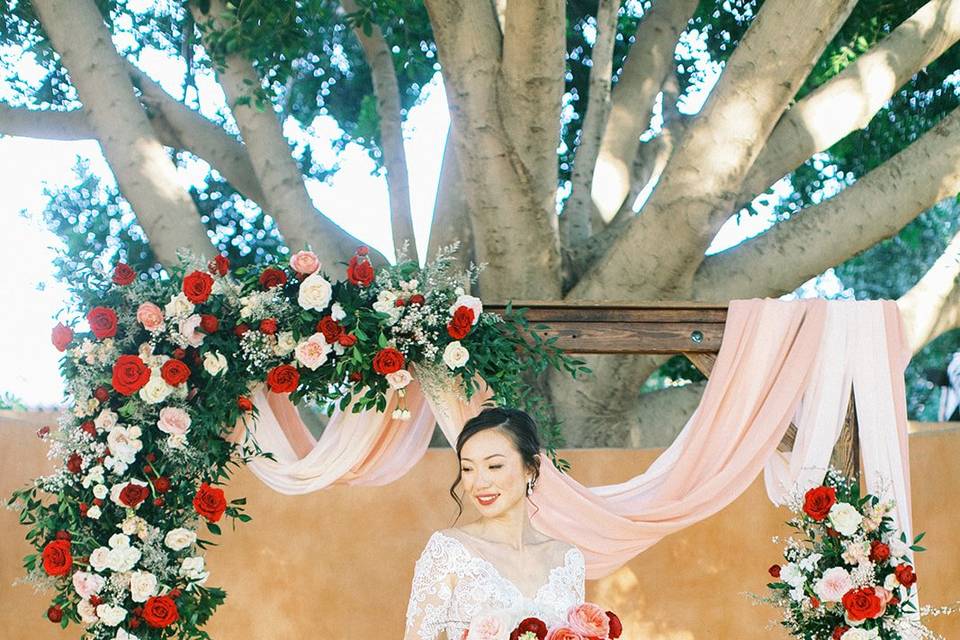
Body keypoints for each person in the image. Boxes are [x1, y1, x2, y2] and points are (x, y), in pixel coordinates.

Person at [404, 407, 585, 640]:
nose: (479, 483)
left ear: (530, 468)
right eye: (468, 468)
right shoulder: (449, 550)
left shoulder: (568, 559)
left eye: (494, 466)